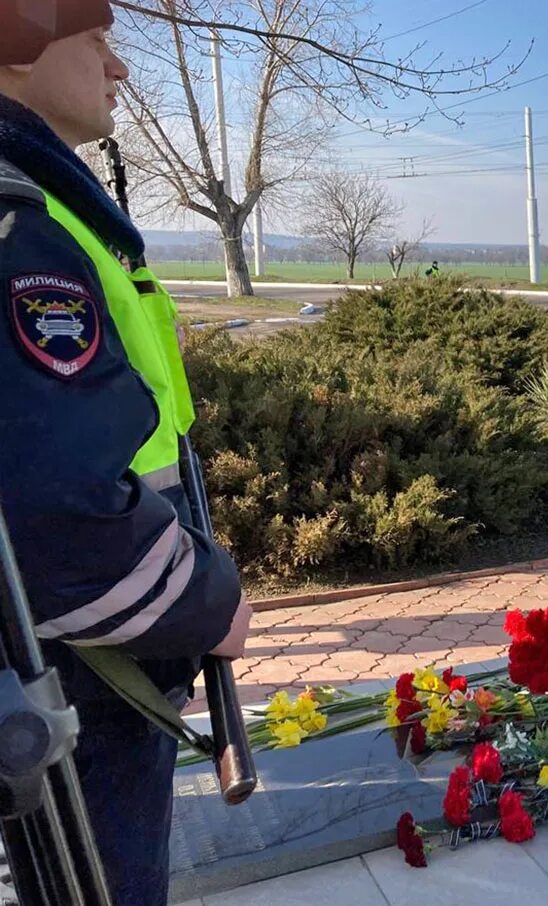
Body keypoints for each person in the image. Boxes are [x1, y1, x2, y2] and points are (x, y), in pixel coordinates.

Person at [0, 3, 253, 903]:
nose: (120, 69)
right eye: (98, 42)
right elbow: (55, 514)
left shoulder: (43, 208)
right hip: (85, 673)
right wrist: (206, 602)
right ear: (17, 47)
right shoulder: (22, 227)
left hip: (78, 656)